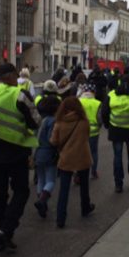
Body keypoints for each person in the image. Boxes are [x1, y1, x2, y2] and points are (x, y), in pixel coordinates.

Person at [0, 63, 40, 252]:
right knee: (21, 191)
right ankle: (6, 230)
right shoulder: (20, 95)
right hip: (16, 151)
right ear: (9, 76)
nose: (17, 79)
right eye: (15, 75)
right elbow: (36, 120)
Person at [50, 97, 95, 228]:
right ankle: (85, 207)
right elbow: (87, 136)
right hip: (82, 156)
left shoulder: (59, 122)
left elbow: (54, 141)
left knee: (64, 189)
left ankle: (61, 217)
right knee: (84, 185)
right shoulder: (83, 121)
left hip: (66, 158)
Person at [102, 74, 129, 193]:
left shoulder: (111, 95)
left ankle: (118, 183)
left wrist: (107, 125)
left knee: (117, 156)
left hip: (116, 130)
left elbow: (104, 112)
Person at [32, 94, 61, 218]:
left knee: (41, 179)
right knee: (51, 180)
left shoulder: (38, 120)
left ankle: (42, 202)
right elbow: (52, 139)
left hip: (37, 152)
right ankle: (42, 200)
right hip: (48, 152)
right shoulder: (52, 121)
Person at [79, 84, 102, 178]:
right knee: (93, 152)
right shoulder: (97, 103)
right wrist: (99, 126)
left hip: (80, 131)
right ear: (93, 92)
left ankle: (79, 172)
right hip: (94, 131)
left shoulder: (78, 101)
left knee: (80, 151)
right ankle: (94, 171)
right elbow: (99, 118)